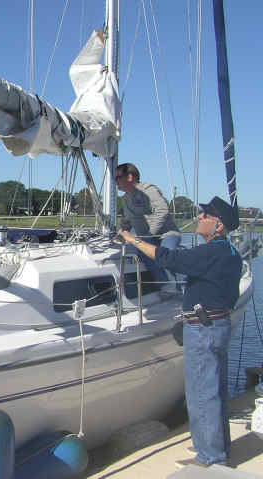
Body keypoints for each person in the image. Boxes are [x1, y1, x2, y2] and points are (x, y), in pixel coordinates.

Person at [117, 196, 241, 468]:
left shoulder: (211, 252)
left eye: (205, 215)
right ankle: (217, 446)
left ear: (219, 225)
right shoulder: (230, 252)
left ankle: (210, 457)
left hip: (203, 329)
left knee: (201, 392)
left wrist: (131, 238)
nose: (199, 217)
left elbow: (168, 258)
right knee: (215, 389)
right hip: (216, 325)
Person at [116, 162, 181, 296]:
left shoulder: (148, 190)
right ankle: (166, 286)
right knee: (143, 251)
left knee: (166, 256)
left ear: (130, 177)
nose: (115, 181)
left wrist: (149, 234)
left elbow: (162, 210)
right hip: (146, 238)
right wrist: (120, 234)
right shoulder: (126, 199)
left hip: (167, 234)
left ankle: (184, 285)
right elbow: (126, 220)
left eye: (118, 177)